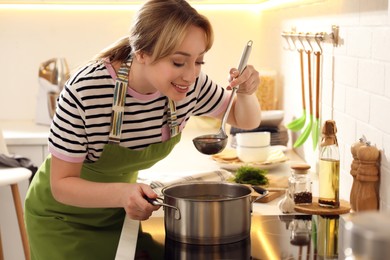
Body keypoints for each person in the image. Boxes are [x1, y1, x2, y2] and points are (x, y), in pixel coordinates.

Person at [24, 0, 261, 259]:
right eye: (179, 62)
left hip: (119, 214)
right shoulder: (87, 90)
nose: (191, 75)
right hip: (62, 221)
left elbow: (243, 118)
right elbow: (62, 186)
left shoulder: (189, 86)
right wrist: (124, 193)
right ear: (142, 53)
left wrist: (247, 92)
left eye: (199, 61)